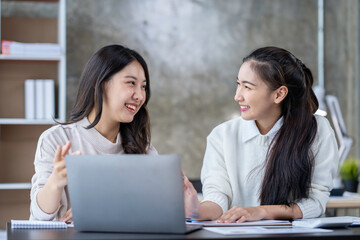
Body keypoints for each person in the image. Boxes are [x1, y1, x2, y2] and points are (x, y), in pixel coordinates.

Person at [183, 46, 339, 222]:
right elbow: (218, 197)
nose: (237, 96)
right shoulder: (222, 135)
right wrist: (195, 210)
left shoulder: (317, 130)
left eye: (247, 87)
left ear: (279, 94)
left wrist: (261, 211)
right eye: (238, 84)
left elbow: (315, 202)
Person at [30, 44, 157, 222]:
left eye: (143, 86)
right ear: (101, 84)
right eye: (131, 83)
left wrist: (103, 209)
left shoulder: (144, 150)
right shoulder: (56, 139)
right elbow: (40, 215)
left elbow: (153, 212)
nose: (140, 96)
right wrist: (56, 181)